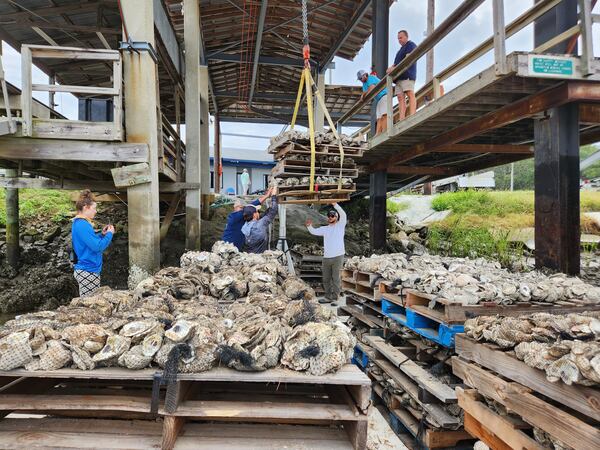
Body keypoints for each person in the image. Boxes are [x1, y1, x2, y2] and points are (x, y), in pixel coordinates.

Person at [71, 190, 114, 297]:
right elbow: (97, 247)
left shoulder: (80, 223)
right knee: (88, 305)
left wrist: (102, 235)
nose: (96, 211)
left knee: (88, 303)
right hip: (88, 271)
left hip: (86, 269)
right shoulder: (82, 224)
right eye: (94, 208)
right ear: (86, 207)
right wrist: (109, 234)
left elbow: (89, 243)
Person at [305, 203, 347, 304]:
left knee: (336, 278)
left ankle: (336, 298)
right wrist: (309, 226)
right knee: (326, 278)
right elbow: (314, 232)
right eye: (329, 216)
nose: (330, 217)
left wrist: (335, 205)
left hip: (338, 256)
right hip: (327, 257)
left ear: (336, 217)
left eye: (332, 216)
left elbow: (344, 214)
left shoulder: (340, 226)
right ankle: (328, 297)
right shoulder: (325, 229)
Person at [387, 30, 417, 120]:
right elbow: (395, 64)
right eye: (398, 38)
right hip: (398, 78)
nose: (399, 40)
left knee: (409, 93)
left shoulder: (410, 45)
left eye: (401, 37)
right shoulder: (399, 51)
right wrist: (390, 69)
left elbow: (408, 59)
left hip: (407, 75)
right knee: (400, 97)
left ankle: (412, 115)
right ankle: (401, 118)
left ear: (406, 37)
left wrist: (393, 68)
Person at [241, 186, 278, 253]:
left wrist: (267, 195)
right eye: (257, 211)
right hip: (259, 258)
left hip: (249, 256)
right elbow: (273, 211)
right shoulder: (260, 225)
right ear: (254, 215)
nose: (258, 213)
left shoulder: (245, 226)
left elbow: (263, 216)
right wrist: (273, 196)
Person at [357, 69, 388, 135]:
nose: (360, 80)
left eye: (361, 78)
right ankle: (378, 134)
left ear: (365, 75)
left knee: (384, 115)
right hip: (379, 99)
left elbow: (372, 88)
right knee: (379, 118)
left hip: (384, 95)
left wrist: (363, 95)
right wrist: (363, 95)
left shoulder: (371, 77)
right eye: (359, 79)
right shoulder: (364, 84)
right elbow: (366, 93)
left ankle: (384, 131)